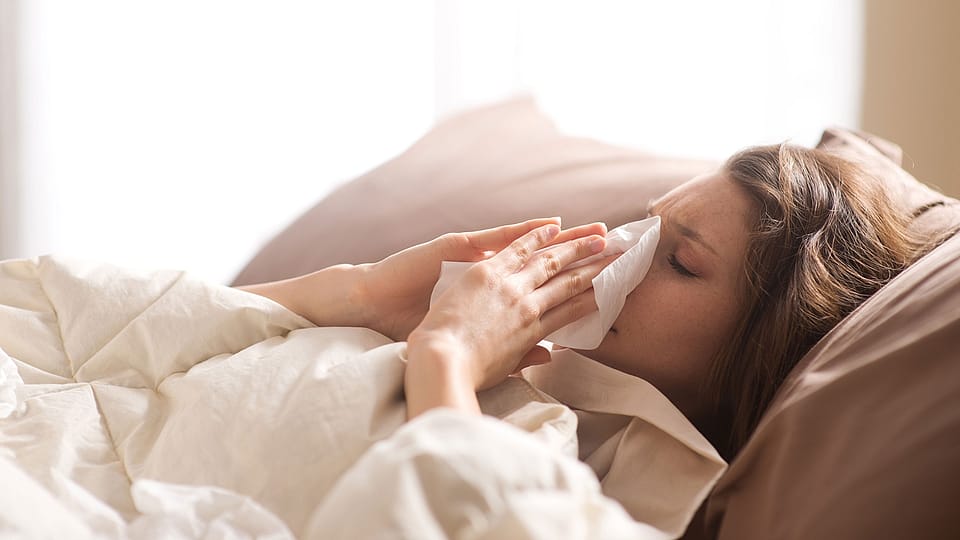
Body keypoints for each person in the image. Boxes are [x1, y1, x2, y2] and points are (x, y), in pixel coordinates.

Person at [241, 143, 927, 460]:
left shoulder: (647, 476)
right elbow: (149, 326)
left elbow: (476, 519)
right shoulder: (515, 364)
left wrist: (444, 360)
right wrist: (353, 293)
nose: (617, 253)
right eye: (646, 223)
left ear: (763, 342)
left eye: (681, 261)